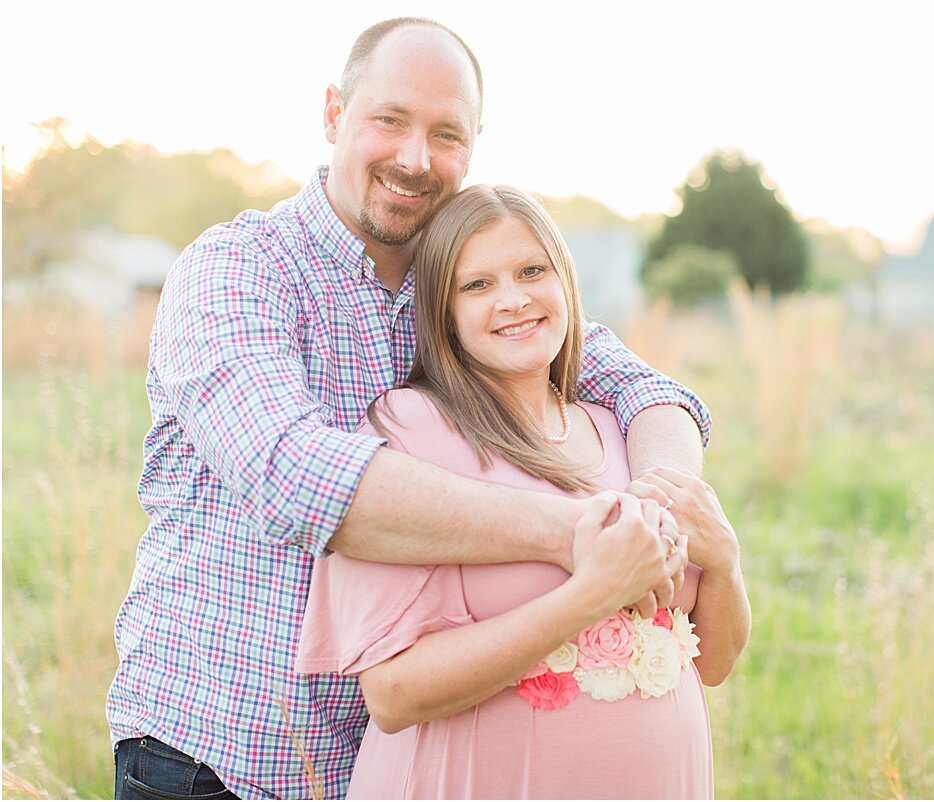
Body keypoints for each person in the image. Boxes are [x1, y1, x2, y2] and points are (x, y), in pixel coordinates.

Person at [108, 17, 711, 801]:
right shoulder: (237, 269)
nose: (415, 158)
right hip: (220, 757)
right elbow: (294, 474)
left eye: (446, 134)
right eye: (389, 120)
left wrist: (663, 506)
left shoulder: (467, 285)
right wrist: (583, 537)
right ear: (334, 115)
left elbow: (649, 392)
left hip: (395, 762)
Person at [296, 184, 751, 799]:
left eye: (532, 271)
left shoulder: (623, 431)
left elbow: (712, 665)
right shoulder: (410, 432)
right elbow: (392, 694)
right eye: (477, 285)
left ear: (564, 281)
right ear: (443, 311)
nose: (514, 300)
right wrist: (587, 597)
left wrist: (724, 561)